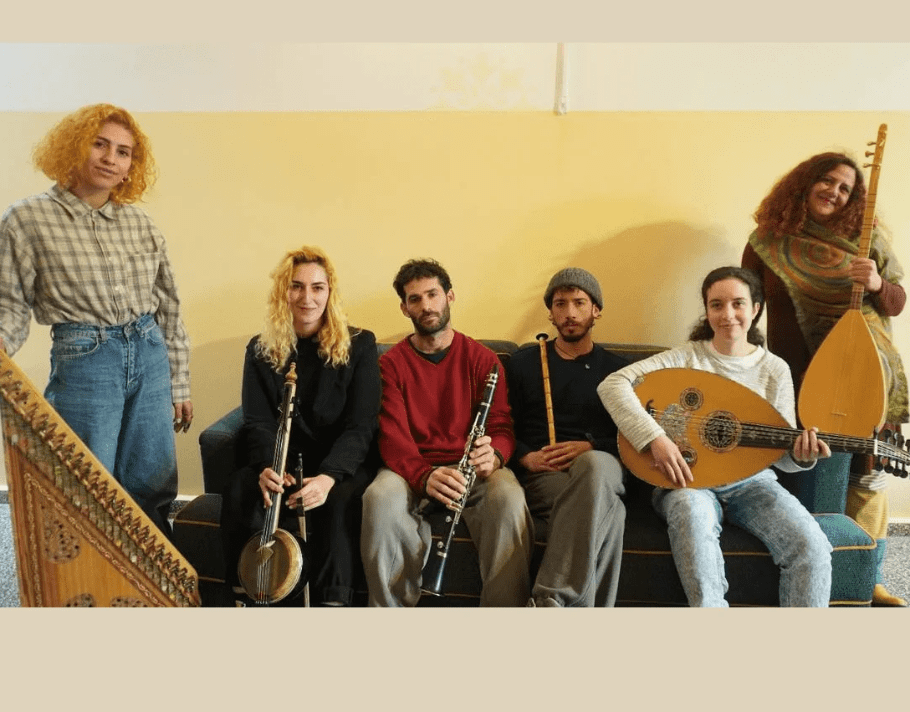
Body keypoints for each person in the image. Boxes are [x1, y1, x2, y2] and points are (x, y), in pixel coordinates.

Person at [0, 103, 191, 537]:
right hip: (86, 361)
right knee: (86, 485)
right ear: (73, 147)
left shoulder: (140, 223)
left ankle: (149, 578)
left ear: (131, 166)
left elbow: (169, 307)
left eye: (123, 152)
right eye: (99, 144)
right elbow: (9, 304)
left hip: (149, 354)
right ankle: (90, 578)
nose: (111, 158)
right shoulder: (26, 220)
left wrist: (179, 381)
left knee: (152, 484)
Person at [598, 266, 833, 607]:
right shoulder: (686, 357)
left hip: (753, 484)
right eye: (717, 305)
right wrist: (654, 439)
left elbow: (780, 454)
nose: (728, 315)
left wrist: (801, 455)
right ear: (707, 311)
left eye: (738, 304)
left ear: (755, 309)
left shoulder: (774, 369)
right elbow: (613, 384)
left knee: (812, 546)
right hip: (688, 482)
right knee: (693, 521)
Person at [742, 151, 909, 606]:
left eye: (845, 189)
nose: (834, 192)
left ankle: (869, 578)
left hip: (865, 375)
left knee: (865, 473)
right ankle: (805, 574)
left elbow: (896, 302)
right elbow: (747, 303)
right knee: (805, 470)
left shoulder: (865, 240)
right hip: (795, 379)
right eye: (828, 181)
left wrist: (877, 284)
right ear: (805, 183)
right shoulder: (766, 242)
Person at [360, 258, 532, 606]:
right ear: (404, 308)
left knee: (509, 497)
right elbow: (392, 437)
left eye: (432, 294)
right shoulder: (389, 365)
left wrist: (495, 455)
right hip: (412, 469)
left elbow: (501, 426)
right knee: (378, 497)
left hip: (473, 472)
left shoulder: (484, 359)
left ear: (449, 296)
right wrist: (424, 476)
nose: (426, 306)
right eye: (415, 299)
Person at [219, 245, 380, 606]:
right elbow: (258, 420)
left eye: (317, 287)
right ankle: (247, 592)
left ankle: (332, 602)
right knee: (241, 488)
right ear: (284, 293)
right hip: (284, 461)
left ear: (329, 292)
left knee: (338, 502)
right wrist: (267, 466)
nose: (307, 298)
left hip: (340, 464)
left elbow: (361, 424)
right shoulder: (260, 349)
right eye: (297, 287)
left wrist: (328, 477)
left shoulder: (360, 345)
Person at [505, 268, 628, 607]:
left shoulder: (618, 370)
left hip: (604, 465)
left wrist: (592, 446)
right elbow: (502, 425)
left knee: (594, 466)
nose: (570, 313)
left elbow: (633, 437)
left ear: (596, 310)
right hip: (546, 474)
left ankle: (551, 598)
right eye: (561, 304)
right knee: (613, 514)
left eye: (579, 303)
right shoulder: (524, 364)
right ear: (551, 313)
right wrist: (525, 456)